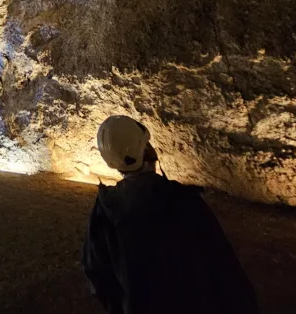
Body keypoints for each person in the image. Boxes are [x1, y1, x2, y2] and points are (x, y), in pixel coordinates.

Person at [82, 115, 259, 314]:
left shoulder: (105, 210)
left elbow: (97, 274)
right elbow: (222, 267)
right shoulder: (181, 201)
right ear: (146, 151)